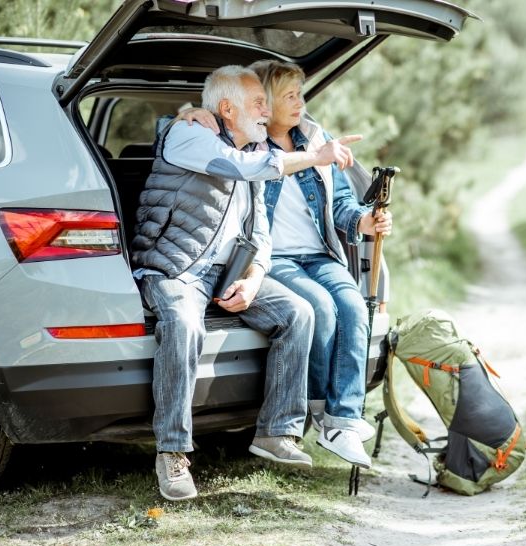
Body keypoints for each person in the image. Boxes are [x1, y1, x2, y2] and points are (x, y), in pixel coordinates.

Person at [131, 65, 361, 501]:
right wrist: (315, 156)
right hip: (175, 267)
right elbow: (241, 167)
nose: (266, 110)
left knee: (298, 312)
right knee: (184, 325)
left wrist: (255, 276)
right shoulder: (189, 137)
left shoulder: (253, 146)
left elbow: (260, 233)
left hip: (228, 271)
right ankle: (172, 453)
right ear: (225, 109)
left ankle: (276, 432)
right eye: (258, 103)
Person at [181, 60, 392, 469]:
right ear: (265, 103)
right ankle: (318, 408)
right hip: (273, 258)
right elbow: (177, 135)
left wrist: (364, 220)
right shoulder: (245, 140)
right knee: (322, 310)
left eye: (301, 94)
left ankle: (344, 420)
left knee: (352, 306)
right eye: (289, 96)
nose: (300, 103)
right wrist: (188, 112)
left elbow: (342, 202)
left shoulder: (316, 137)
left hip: (319, 253)